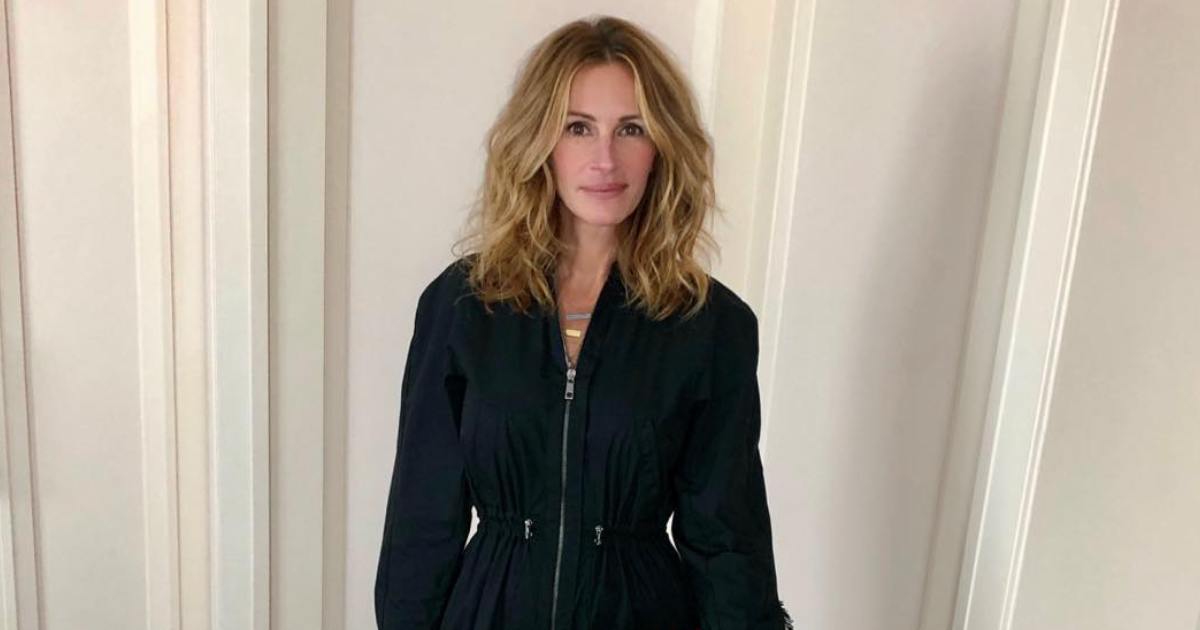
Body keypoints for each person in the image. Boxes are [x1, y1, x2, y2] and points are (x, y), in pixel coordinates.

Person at [374, 15, 793, 630]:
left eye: (631, 129)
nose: (605, 159)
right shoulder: (463, 306)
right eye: (578, 127)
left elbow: (727, 537)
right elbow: (421, 519)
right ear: (540, 142)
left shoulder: (710, 325)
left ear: (661, 147)